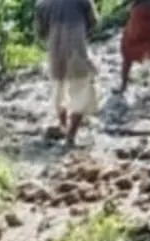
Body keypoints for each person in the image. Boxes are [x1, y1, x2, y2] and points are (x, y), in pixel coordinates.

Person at [36, 0, 101, 146]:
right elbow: (93, 22)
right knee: (82, 92)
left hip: (55, 52)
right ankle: (71, 135)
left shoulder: (43, 4)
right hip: (77, 50)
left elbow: (41, 32)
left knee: (58, 92)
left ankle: (64, 126)